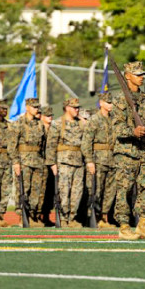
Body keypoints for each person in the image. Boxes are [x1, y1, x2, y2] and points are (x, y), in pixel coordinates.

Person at [112, 61, 145, 240]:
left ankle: (143, 223)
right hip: (127, 151)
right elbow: (116, 127)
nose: (141, 78)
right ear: (127, 76)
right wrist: (132, 132)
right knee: (124, 189)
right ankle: (124, 226)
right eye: (137, 74)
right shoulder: (119, 99)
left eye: (142, 74)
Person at [46, 97, 91, 228]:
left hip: (78, 162)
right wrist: (52, 164)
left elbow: (88, 139)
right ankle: (63, 217)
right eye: (74, 107)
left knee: (77, 193)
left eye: (78, 107)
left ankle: (72, 217)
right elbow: (51, 145)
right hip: (63, 162)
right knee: (64, 192)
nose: (77, 110)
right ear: (67, 108)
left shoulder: (81, 123)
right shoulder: (57, 124)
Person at [8, 97, 46, 227]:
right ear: (27, 108)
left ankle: (31, 215)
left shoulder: (40, 124)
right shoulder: (18, 124)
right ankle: (21, 217)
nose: (37, 109)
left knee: (36, 191)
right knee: (23, 190)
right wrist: (16, 162)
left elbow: (43, 144)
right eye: (34, 107)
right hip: (23, 161)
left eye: (37, 107)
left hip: (37, 161)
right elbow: (12, 146)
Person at [81, 91, 117, 228]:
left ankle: (104, 217)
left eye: (111, 102)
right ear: (101, 103)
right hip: (98, 160)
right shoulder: (94, 120)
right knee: (96, 190)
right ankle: (93, 217)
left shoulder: (114, 119)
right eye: (108, 102)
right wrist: (89, 161)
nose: (111, 105)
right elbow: (86, 142)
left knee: (110, 190)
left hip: (112, 159)